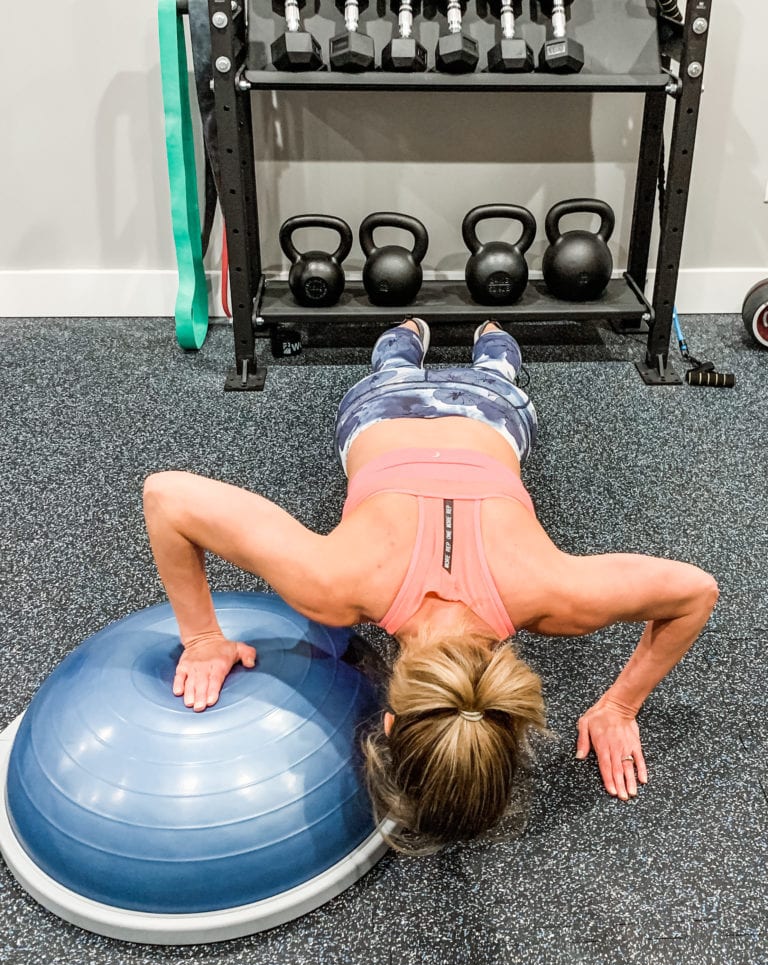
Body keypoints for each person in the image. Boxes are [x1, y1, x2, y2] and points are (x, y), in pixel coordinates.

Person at [143, 318, 718, 851]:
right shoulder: (333, 586)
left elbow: (696, 592)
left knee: (488, 374)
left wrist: (622, 706)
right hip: (379, 414)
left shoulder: (553, 594)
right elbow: (165, 497)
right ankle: (429, 338)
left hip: (491, 413)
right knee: (399, 375)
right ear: (389, 722)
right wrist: (201, 640)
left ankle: (470, 338)